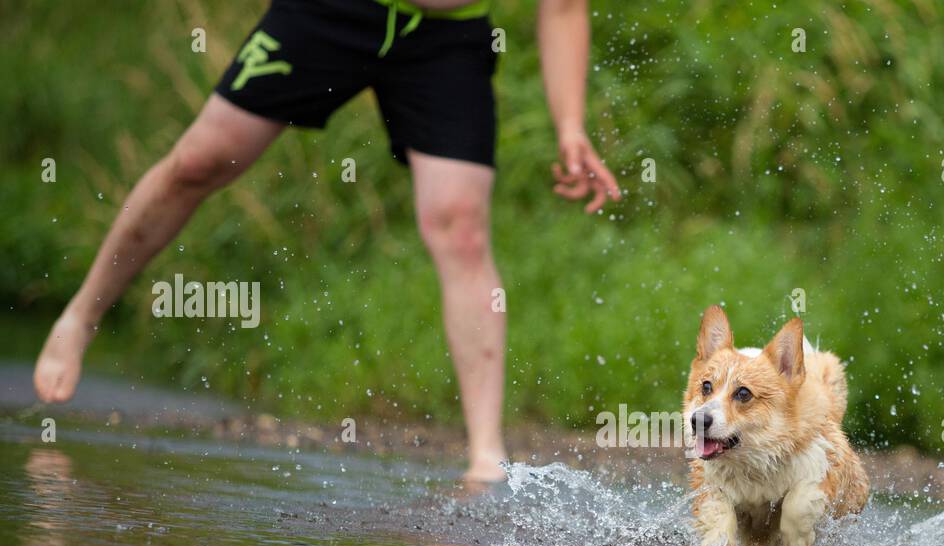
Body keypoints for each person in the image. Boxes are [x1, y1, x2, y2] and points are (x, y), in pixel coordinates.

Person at [32, 0, 620, 482]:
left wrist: (569, 127)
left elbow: (564, 6)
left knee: (461, 227)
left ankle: (486, 454)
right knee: (199, 161)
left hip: (445, 40)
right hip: (331, 12)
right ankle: (83, 314)